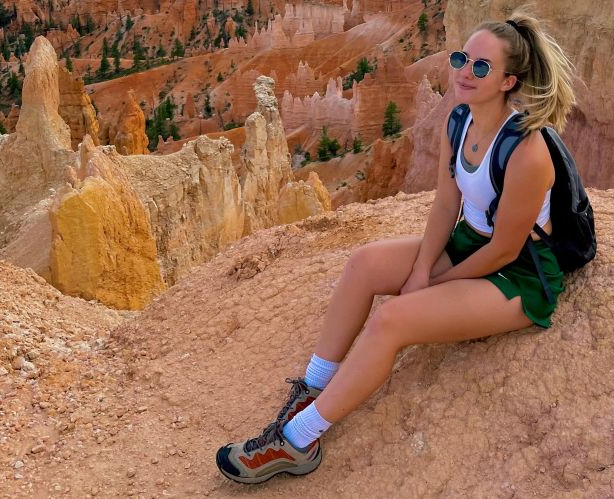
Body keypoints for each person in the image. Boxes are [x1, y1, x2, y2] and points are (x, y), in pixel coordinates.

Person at [216, 12, 577, 484]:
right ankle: (313, 388)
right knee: (364, 263)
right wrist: (422, 268)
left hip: (520, 275)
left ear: (509, 80)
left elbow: (506, 251)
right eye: (461, 58)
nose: (465, 72)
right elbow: (447, 203)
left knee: (391, 320)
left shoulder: (528, 153)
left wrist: (431, 287)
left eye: (481, 67)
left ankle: (298, 440)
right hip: (470, 243)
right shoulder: (460, 120)